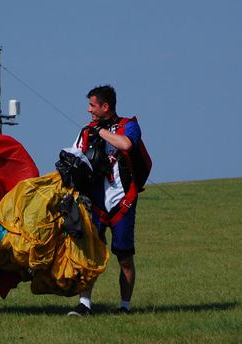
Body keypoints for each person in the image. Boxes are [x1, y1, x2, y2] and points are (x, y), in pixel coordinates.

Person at [68, 85, 146, 316]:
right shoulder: (87, 130)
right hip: (97, 204)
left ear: (105, 106)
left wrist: (100, 131)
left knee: (124, 258)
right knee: (91, 255)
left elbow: (127, 145)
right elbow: (75, 156)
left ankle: (124, 307)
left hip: (123, 203)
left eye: (93, 105)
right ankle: (85, 305)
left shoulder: (128, 126)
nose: (89, 110)